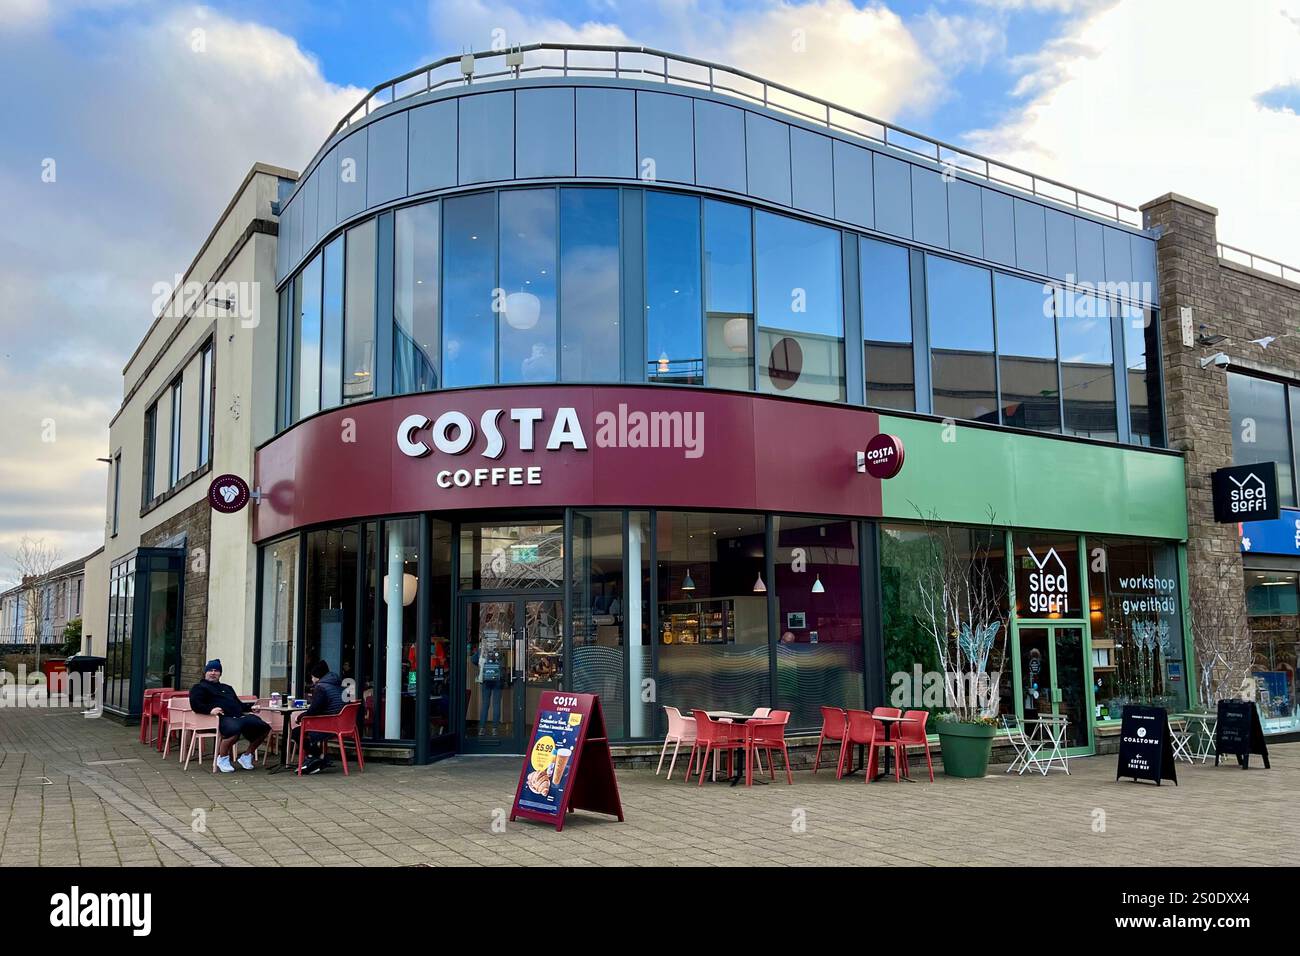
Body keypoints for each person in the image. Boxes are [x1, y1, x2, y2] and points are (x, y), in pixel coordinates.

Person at [189, 659, 269, 773]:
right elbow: (195, 705)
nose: (213, 673)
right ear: (205, 672)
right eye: (210, 670)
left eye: (216, 671)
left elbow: (238, 704)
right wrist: (210, 710)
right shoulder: (199, 687)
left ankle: (246, 756)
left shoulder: (227, 688)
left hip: (237, 717)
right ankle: (222, 758)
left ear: (220, 674)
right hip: (217, 719)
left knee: (263, 727)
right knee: (234, 729)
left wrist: (251, 708)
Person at [299, 659, 345, 775]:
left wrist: (300, 717)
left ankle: (317, 757)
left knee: (297, 732)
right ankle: (319, 757)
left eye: (312, 676)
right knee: (305, 728)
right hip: (342, 724)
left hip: (329, 726)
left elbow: (313, 711)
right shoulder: (338, 684)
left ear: (317, 676)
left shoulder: (321, 687)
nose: (311, 679)